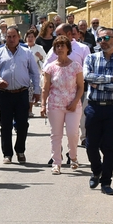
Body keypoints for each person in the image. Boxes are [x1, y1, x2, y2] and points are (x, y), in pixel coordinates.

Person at [84, 28, 113, 195]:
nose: (102, 41)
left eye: (105, 38)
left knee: (110, 147)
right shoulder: (91, 58)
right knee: (91, 145)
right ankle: (96, 170)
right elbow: (87, 77)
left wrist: (99, 83)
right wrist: (111, 79)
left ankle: (106, 182)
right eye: (99, 39)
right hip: (94, 106)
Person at [0, 26, 41, 164]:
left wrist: (37, 91)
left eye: (14, 36)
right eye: (9, 36)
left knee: (22, 124)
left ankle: (20, 150)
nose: (11, 39)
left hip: (22, 93)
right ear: (5, 37)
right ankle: (7, 154)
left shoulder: (27, 53)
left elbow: (34, 73)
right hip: (4, 94)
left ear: (18, 37)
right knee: (5, 125)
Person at [40, 36, 84, 174]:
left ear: (68, 48)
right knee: (56, 135)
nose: (60, 48)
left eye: (62, 45)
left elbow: (81, 87)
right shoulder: (50, 67)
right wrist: (42, 105)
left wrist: (75, 101)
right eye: (57, 46)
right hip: (55, 105)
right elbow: (45, 88)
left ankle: (73, 157)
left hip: (72, 105)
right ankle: (56, 163)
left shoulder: (76, 66)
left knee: (73, 133)